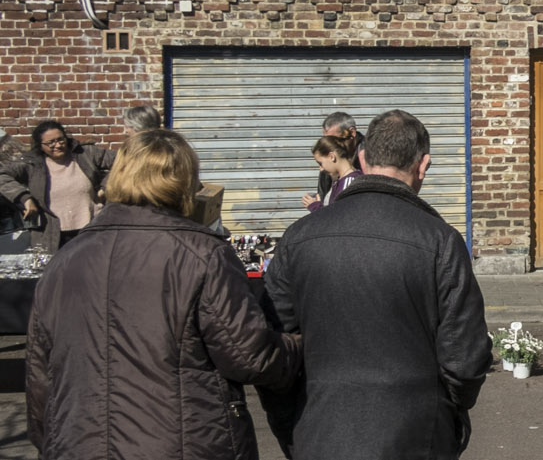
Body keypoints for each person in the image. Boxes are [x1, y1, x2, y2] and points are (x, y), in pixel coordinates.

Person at [26, 128, 301, 460]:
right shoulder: (203, 253)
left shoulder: (66, 260)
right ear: (185, 181)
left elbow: (40, 375)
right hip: (182, 441)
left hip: (78, 441)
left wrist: (52, 440)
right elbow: (250, 357)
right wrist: (299, 346)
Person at [266, 110, 489, 459]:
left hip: (320, 429)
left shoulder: (299, 237)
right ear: (423, 165)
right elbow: (465, 359)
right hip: (415, 434)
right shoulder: (440, 240)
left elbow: (274, 347)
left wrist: (291, 425)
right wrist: (446, 415)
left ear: (364, 158)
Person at [0, 121, 116, 249]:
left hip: (91, 229)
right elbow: (2, 176)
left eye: (61, 140)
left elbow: (124, 161)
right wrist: (24, 198)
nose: (58, 145)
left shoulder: (85, 154)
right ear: (40, 145)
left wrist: (106, 186)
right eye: (51, 143)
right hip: (52, 234)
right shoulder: (31, 163)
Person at [302, 135, 361, 211]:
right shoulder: (339, 181)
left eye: (320, 163)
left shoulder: (349, 183)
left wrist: (315, 207)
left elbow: (340, 217)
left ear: (332, 156)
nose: (321, 169)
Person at [313, 112, 358, 197]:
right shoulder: (327, 163)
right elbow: (323, 192)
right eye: (326, 140)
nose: (330, 145)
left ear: (352, 133)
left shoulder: (368, 156)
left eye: (335, 140)